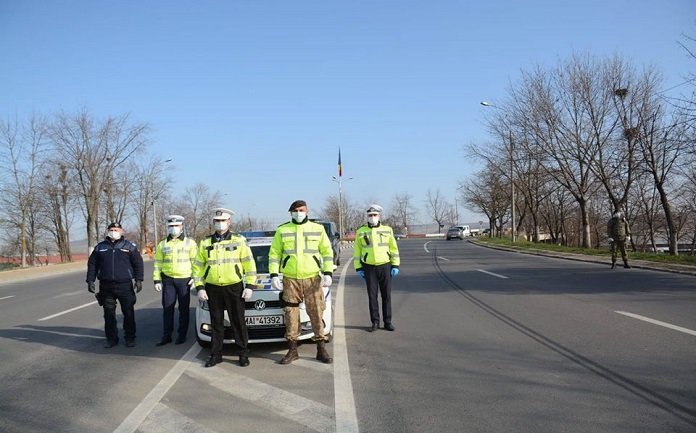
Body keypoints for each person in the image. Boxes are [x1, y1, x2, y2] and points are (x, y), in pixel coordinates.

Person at [269, 200, 334, 365]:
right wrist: (274, 275)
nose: (299, 213)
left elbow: (327, 252)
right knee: (291, 314)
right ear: (291, 212)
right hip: (290, 279)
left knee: (317, 312)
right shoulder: (283, 230)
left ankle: (321, 349)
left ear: (307, 211)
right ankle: (292, 350)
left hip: (312, 278)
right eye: (296, 210)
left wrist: (327, 272)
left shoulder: (317, 229)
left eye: (302, 210)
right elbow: (275, 254)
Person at [192, 208, 256, 367]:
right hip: (213, 288)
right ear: (214, 223)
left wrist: (250, 285)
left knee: (238, 322)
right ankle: (216, 354)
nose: (219, 224)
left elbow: (249, 264)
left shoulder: (239, 240)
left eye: (222, 221)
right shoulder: (206, 243)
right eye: (217, 221)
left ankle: (242, 353)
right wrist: (200, 287)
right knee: (216, 323)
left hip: (233, 287)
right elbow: (197, 267)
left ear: (229, 222)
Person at [86, 222, 144, 348]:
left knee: (128, 313)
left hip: (125, 285)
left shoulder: (129, 246)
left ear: (121, 231)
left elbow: (138, 263)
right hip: (106, 286)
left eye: (116, 229)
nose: (114, 231)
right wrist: (90, 280)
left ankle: (130, 338)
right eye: (111, 229)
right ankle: (111, 339)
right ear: (107, 231)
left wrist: (139, 280)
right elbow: (92, 265)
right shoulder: (100, 248)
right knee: (108, 314)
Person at [353, 204, 400, 332]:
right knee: (372, 296)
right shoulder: (361, 231)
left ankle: (387, 322)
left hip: (385, 265)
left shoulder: (387, 230)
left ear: (379, 216)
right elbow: (357, 250)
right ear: (367, 217)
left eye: (375, 215)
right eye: (370, 215)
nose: (372, 217)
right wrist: (358, 267)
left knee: (386, 295)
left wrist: (395, 264)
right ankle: (375, 322)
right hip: (369, 268)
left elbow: (393, 248)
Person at [153, 215, 197, 346]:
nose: (174, 228)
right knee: (168, 308)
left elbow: (196, 262)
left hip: (185, 280)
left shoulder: (190, 243)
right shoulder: (162, 244)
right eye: (171, 226)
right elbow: (158, 263)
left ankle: (181, 335)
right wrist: (157, 280)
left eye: (176, 226)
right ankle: (167, 335)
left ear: (182, 227)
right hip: (168, 280)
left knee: (183, 309)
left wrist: (195, 277)